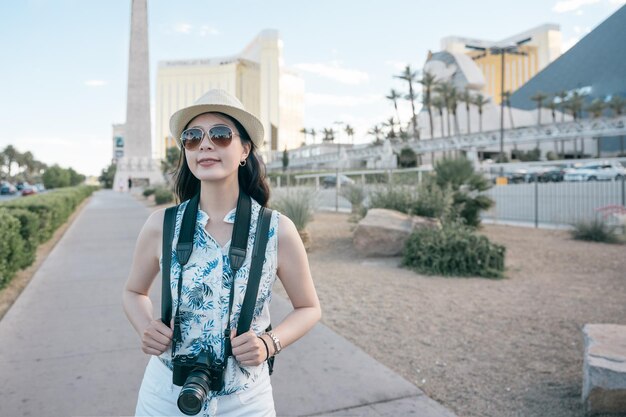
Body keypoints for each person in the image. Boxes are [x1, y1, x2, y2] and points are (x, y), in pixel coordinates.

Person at [122, 89, 321, 417]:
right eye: (192, 137)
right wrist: (145, 326)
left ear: (244, 150)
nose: (205, 144)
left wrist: (269, 344)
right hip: (165, 394)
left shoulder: (277, 229)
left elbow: (309, 307)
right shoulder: (161, 225)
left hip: (246, 400)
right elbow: (133, 291)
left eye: (220, 134)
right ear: (186, 150)